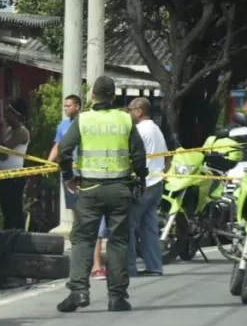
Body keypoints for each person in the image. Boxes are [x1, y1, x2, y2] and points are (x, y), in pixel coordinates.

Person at [56, 76, 148, 313]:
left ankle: (79, 291)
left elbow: (64, 149)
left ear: (92, 96)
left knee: (83, 239)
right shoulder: (125, 119)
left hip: (89, 190)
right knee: (118, 242)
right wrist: (141, 178)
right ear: (114, 96)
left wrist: (68, 176)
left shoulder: (83, 119)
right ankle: (117, 297)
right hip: (120, 189)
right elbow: (138, 154)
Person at [127, 97, 169, 276]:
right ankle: (154, 266)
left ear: (139, 111)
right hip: (157, 182)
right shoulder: (156, 129)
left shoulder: (139, 130)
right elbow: (167, 157)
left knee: (127, 225)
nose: (128, 113)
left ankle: (128, 267)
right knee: (149, 227)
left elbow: (133, 156)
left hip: (144, 184)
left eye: (130, 110)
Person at [0, 98, 30, 231]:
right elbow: (0, 150)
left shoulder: (21, 132)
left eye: (8, 112)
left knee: (14, 210)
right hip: (4, 177)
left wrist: (0, 128)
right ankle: (7, 237)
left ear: (16, 115)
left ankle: (18, 236)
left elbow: (3, 151)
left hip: (13, 178)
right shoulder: (9, 130)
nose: (5, 116)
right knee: (6, 211)